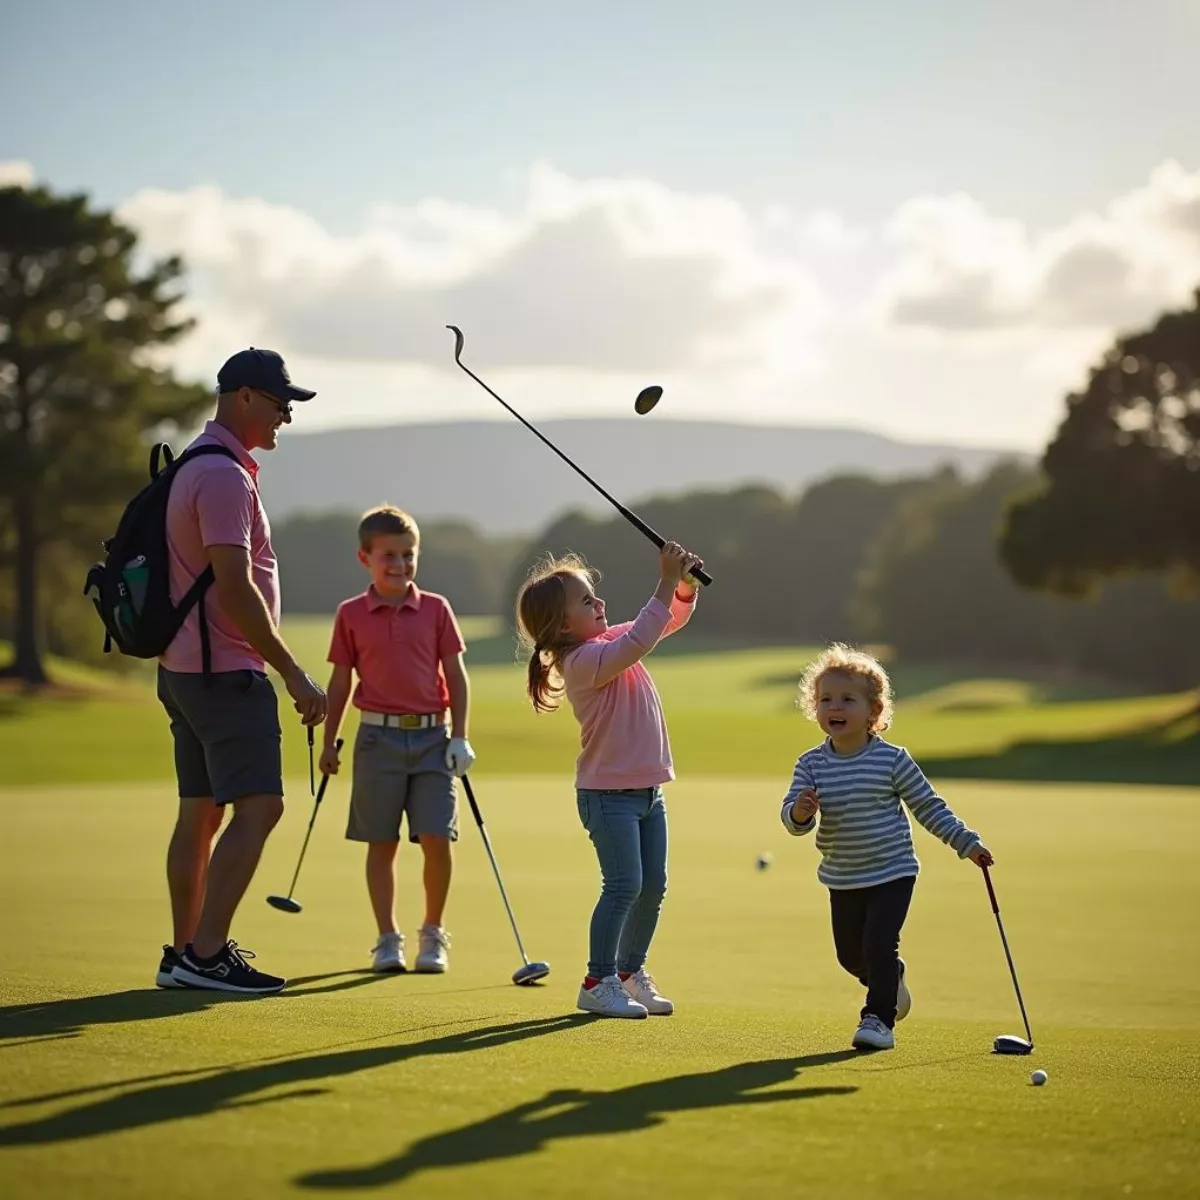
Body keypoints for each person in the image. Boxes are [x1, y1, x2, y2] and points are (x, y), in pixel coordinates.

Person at [157, 348, 327, 995]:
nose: (287, 415)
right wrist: (291, 671)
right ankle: (206, 954)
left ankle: (182, 954)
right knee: (261, 806)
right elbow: (236, 588)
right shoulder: (225, 476)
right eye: (282, 402)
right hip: (225, 672)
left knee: (200, 812)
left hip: (186, 669)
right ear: (246, 398)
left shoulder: (200, 465)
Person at [515, 541, 702, 1019]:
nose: (598, 603)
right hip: (607, 795)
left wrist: (682, 586)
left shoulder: (603, 644)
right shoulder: (581, 661)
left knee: (653, 886)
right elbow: (641, 639)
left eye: (593, 596)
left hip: (647, 792)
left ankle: (628, 972)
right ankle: (597, 981)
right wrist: (663, 580)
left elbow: (664, 623)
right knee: (623, 886)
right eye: (585, 601)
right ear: (562, 626)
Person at [780, 643, 993, 1050]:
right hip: (843, 875)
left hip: (892, 872)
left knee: (878, 941)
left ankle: (878, 1019)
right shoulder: (811, 764)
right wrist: (800, 813)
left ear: (874, 712)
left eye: (847, 699)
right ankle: (889, 978)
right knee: (850, 956)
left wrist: (967, 843)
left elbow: (929, 807)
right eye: (825, 699)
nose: (834, 707)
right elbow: (793, 821)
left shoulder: (893, 760)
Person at [320, 506, 475, 974]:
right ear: (364, 557)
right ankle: (388, 938)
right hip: (376, 740)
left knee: (437, 838)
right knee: (380, 842)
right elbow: (340, 683)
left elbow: (457, 676)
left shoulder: (435, 608)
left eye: (409, 555)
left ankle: (433, 934)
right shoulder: (350, 614)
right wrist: (330, 742)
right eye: (389, 555)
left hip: (433, 738)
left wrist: (461, 737)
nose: (400, 565)